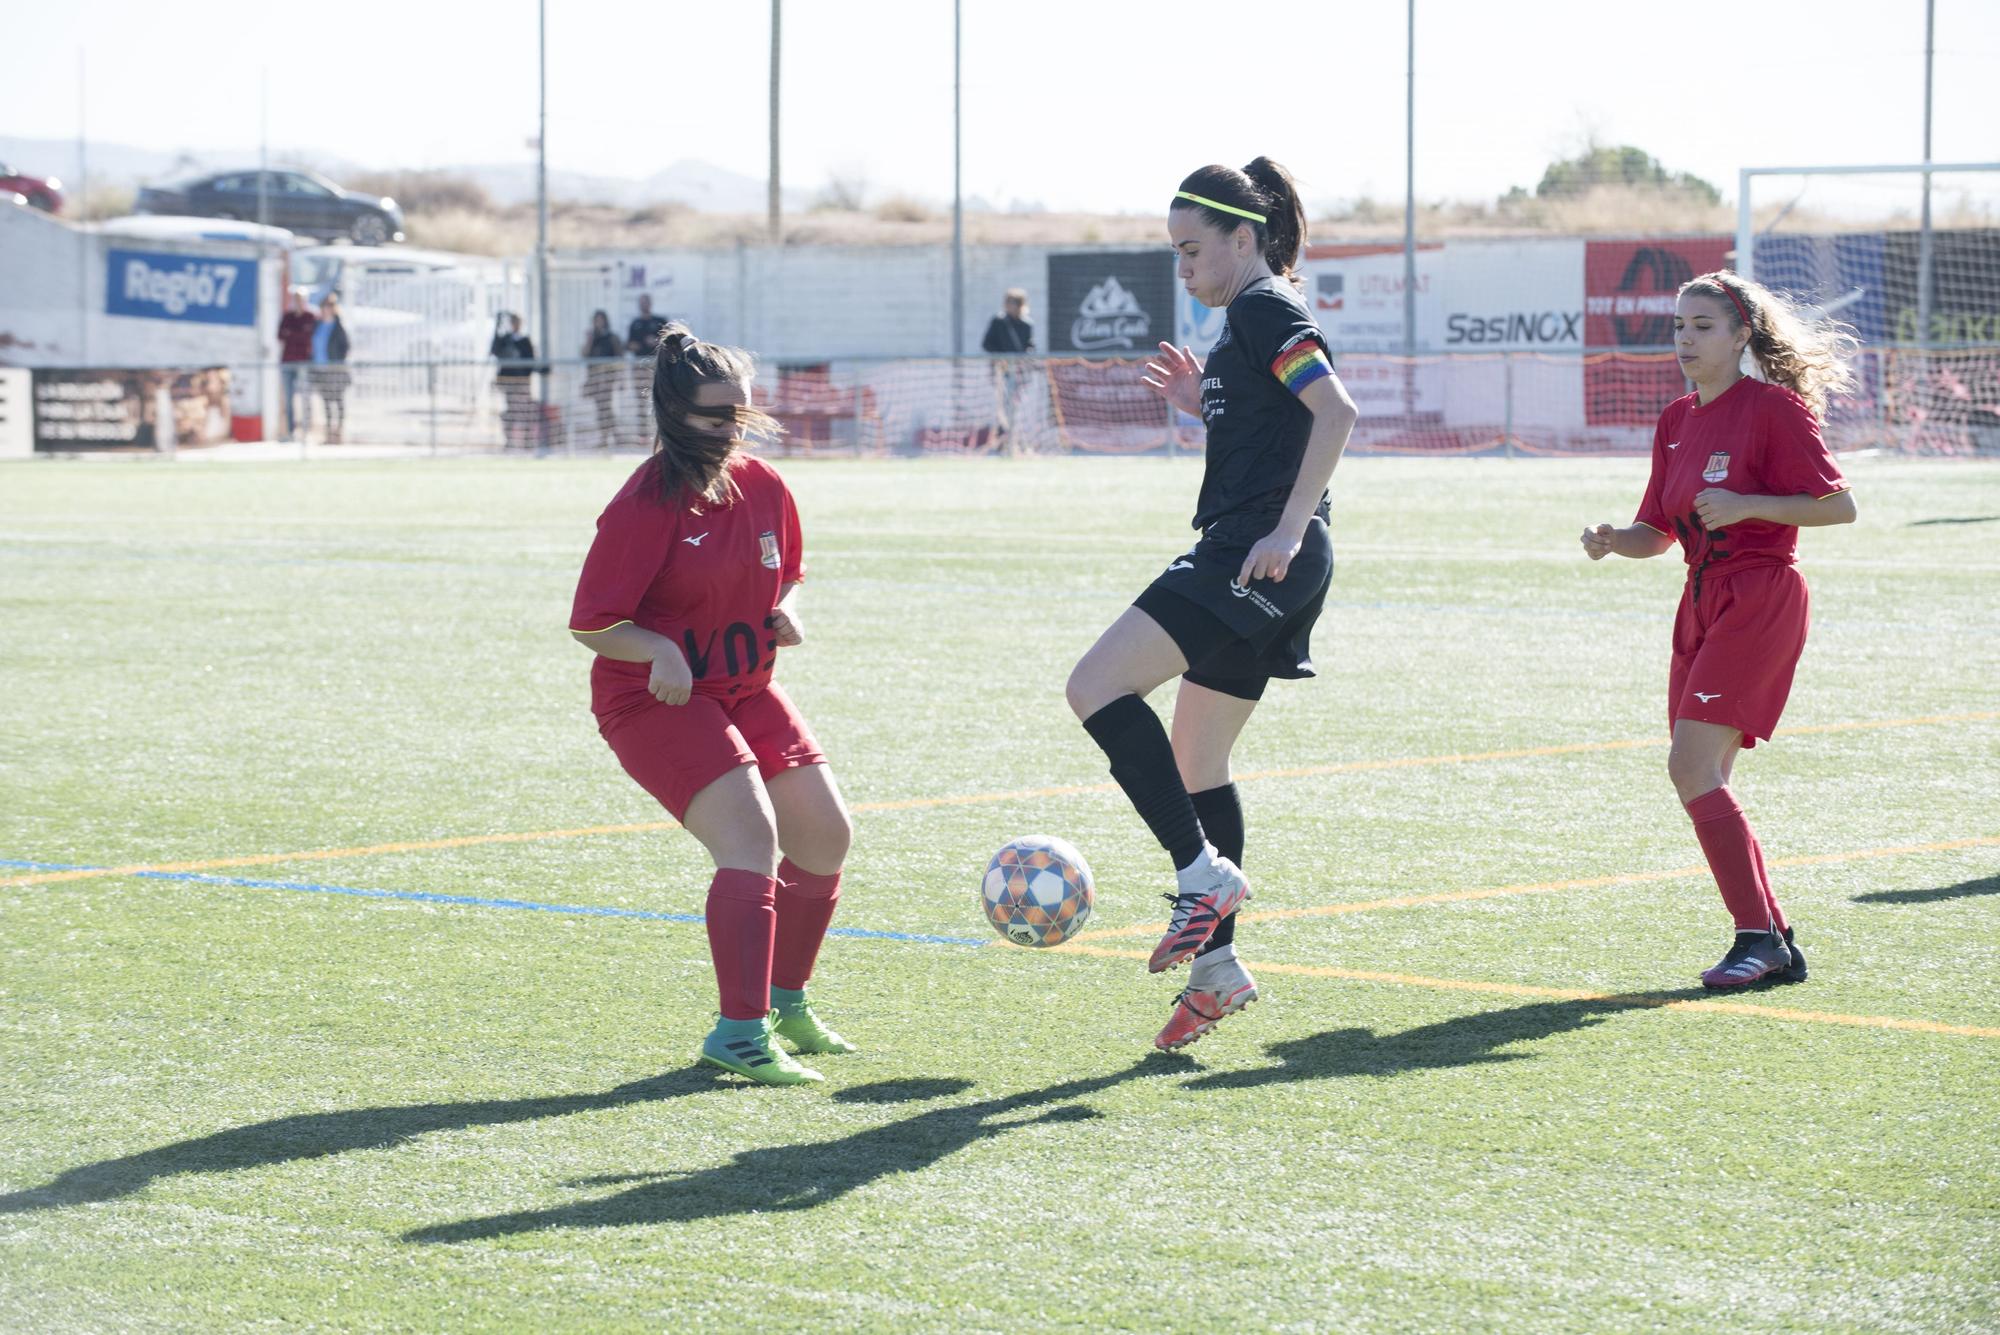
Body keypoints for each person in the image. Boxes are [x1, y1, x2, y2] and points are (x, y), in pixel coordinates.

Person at [1064, 158, 1358, 1052]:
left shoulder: (1266, 306)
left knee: (1095, 687)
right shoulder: (1243, 327)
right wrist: (1206, 405)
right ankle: (1216, 970)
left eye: (1193, 248)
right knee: (1198, 762)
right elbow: (1278, 426)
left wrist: (1287, 529)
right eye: (1174, 252)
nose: (1183, 267)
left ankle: (1201, 876)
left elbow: (1335, 413)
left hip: (1254, 557)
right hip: (1265, 558)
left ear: (1245, 237)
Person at [569, 323, 855, 1086]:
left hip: (744, 685)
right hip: (653, 697)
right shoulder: (643, 504)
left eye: (742, 413)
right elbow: (593, 622)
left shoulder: (763, 484)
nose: (733, 429)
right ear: (672, 413)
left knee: (824, 836)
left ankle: (786, 1004)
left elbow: (787, 570)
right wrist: (657, 647)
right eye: (714, 415)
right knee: (751, 840)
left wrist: (789, 607)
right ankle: (739, 1032)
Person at [1581, 270, 1859, 990]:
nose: (1685, 339)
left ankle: (1758, 937)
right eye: (1679, 325)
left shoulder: (1773, 409)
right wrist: (1617, 538)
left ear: (1742, 335)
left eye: (1703, 326)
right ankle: (1771, 938)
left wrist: (1745, 504)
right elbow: (1659, 532)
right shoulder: (1675, 421)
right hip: (1700, 600)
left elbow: (1838, 508)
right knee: (1705, 772)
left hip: (1760, 593)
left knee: (1690, 766)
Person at [490, 313, 538, 450]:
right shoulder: (505, 340)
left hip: (522, 382)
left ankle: (528, 440)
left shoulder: (525, 341)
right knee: (510, 412)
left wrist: (524, 375)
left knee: (525, 410)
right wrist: (497, 329)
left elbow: (530, 361)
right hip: (508, 382)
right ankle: (509, 440)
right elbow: (494, 350)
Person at [627, 294, 668, 447]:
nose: (644, 304)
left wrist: (656, 342)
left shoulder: (660, 321)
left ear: (650, 303)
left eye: (646, 302)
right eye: (641, 302)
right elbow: (629, 345)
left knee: (660, 400)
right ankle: (642, 435)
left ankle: (662, 434)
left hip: (656, 366)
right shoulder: (635, 323)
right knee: (640, 401)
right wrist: (635, 346)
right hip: (640, 367)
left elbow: (669, 341)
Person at [310, 293, 350, 444]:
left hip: (335, 369)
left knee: (338, 401)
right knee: (326, 401)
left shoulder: (338, 326)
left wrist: (337, 362)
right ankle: (328, 432)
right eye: (324, 307)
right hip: (320, 369)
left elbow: (345, 346)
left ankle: (338, 432)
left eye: (329, 306)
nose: (326, 309)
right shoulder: (318, 325)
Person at [277, 289, 317, 440]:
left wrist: (292, 335)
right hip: (287, 361)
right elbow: (280, 335)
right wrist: (298, 335)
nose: (298, 302)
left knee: (306, 398)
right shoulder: (287, 317)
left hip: (304, 363)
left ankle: (306, 431)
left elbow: (307, 337)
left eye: (301, 299)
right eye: (296, 299)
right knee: (288, 399)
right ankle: (290, 431)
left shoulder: (310, 317)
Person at [582, 310, 622, 449]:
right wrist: (589, 340)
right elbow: (585, 355)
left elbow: (619, 357)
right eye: (596, 320)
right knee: (600, 407)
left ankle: (612, 436)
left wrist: (619, 378)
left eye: (600, 320)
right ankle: (609, 435)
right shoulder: (592, 338)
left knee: (606, 406)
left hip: (607, 377)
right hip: (594, 377)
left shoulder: (612, 338)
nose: (598, 323)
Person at [981, 289, 1034, 355]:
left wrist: (1028, 352)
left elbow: (1029, 345)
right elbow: (987, 344)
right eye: (1008, 303)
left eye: (1015, 303)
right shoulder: (998, 321)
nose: (1011, 306)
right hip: (1002, 363)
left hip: (1019, 363)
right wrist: (1000, 356)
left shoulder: (1026, 324)